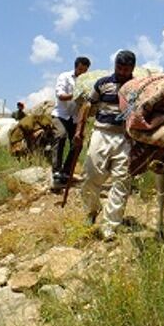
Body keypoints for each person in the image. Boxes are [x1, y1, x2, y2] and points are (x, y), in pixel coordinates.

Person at [76, 50, 135, 241]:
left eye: (127, 69)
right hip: (101, 133)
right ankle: (92, 211)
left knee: (122, 180)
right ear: (115, 66)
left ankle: (111, 224)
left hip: (125, 138)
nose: (123, 72)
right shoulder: (103, 83)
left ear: (132, 68)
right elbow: (87, 105)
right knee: (90, 176)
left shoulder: (137, 87)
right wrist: (79, 131)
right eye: (120, 68)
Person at [51, 56, 91, 190]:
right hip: (60, 115)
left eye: (85, 71)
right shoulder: (65, 77)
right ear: (76, 67)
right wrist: (76, 95)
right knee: (60, 136)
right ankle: (56, 171)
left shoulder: (87, 82)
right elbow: (60, 95)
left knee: (77, 142)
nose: (82, 73)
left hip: (75, 117)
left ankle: (66, 171)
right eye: (80, 69)